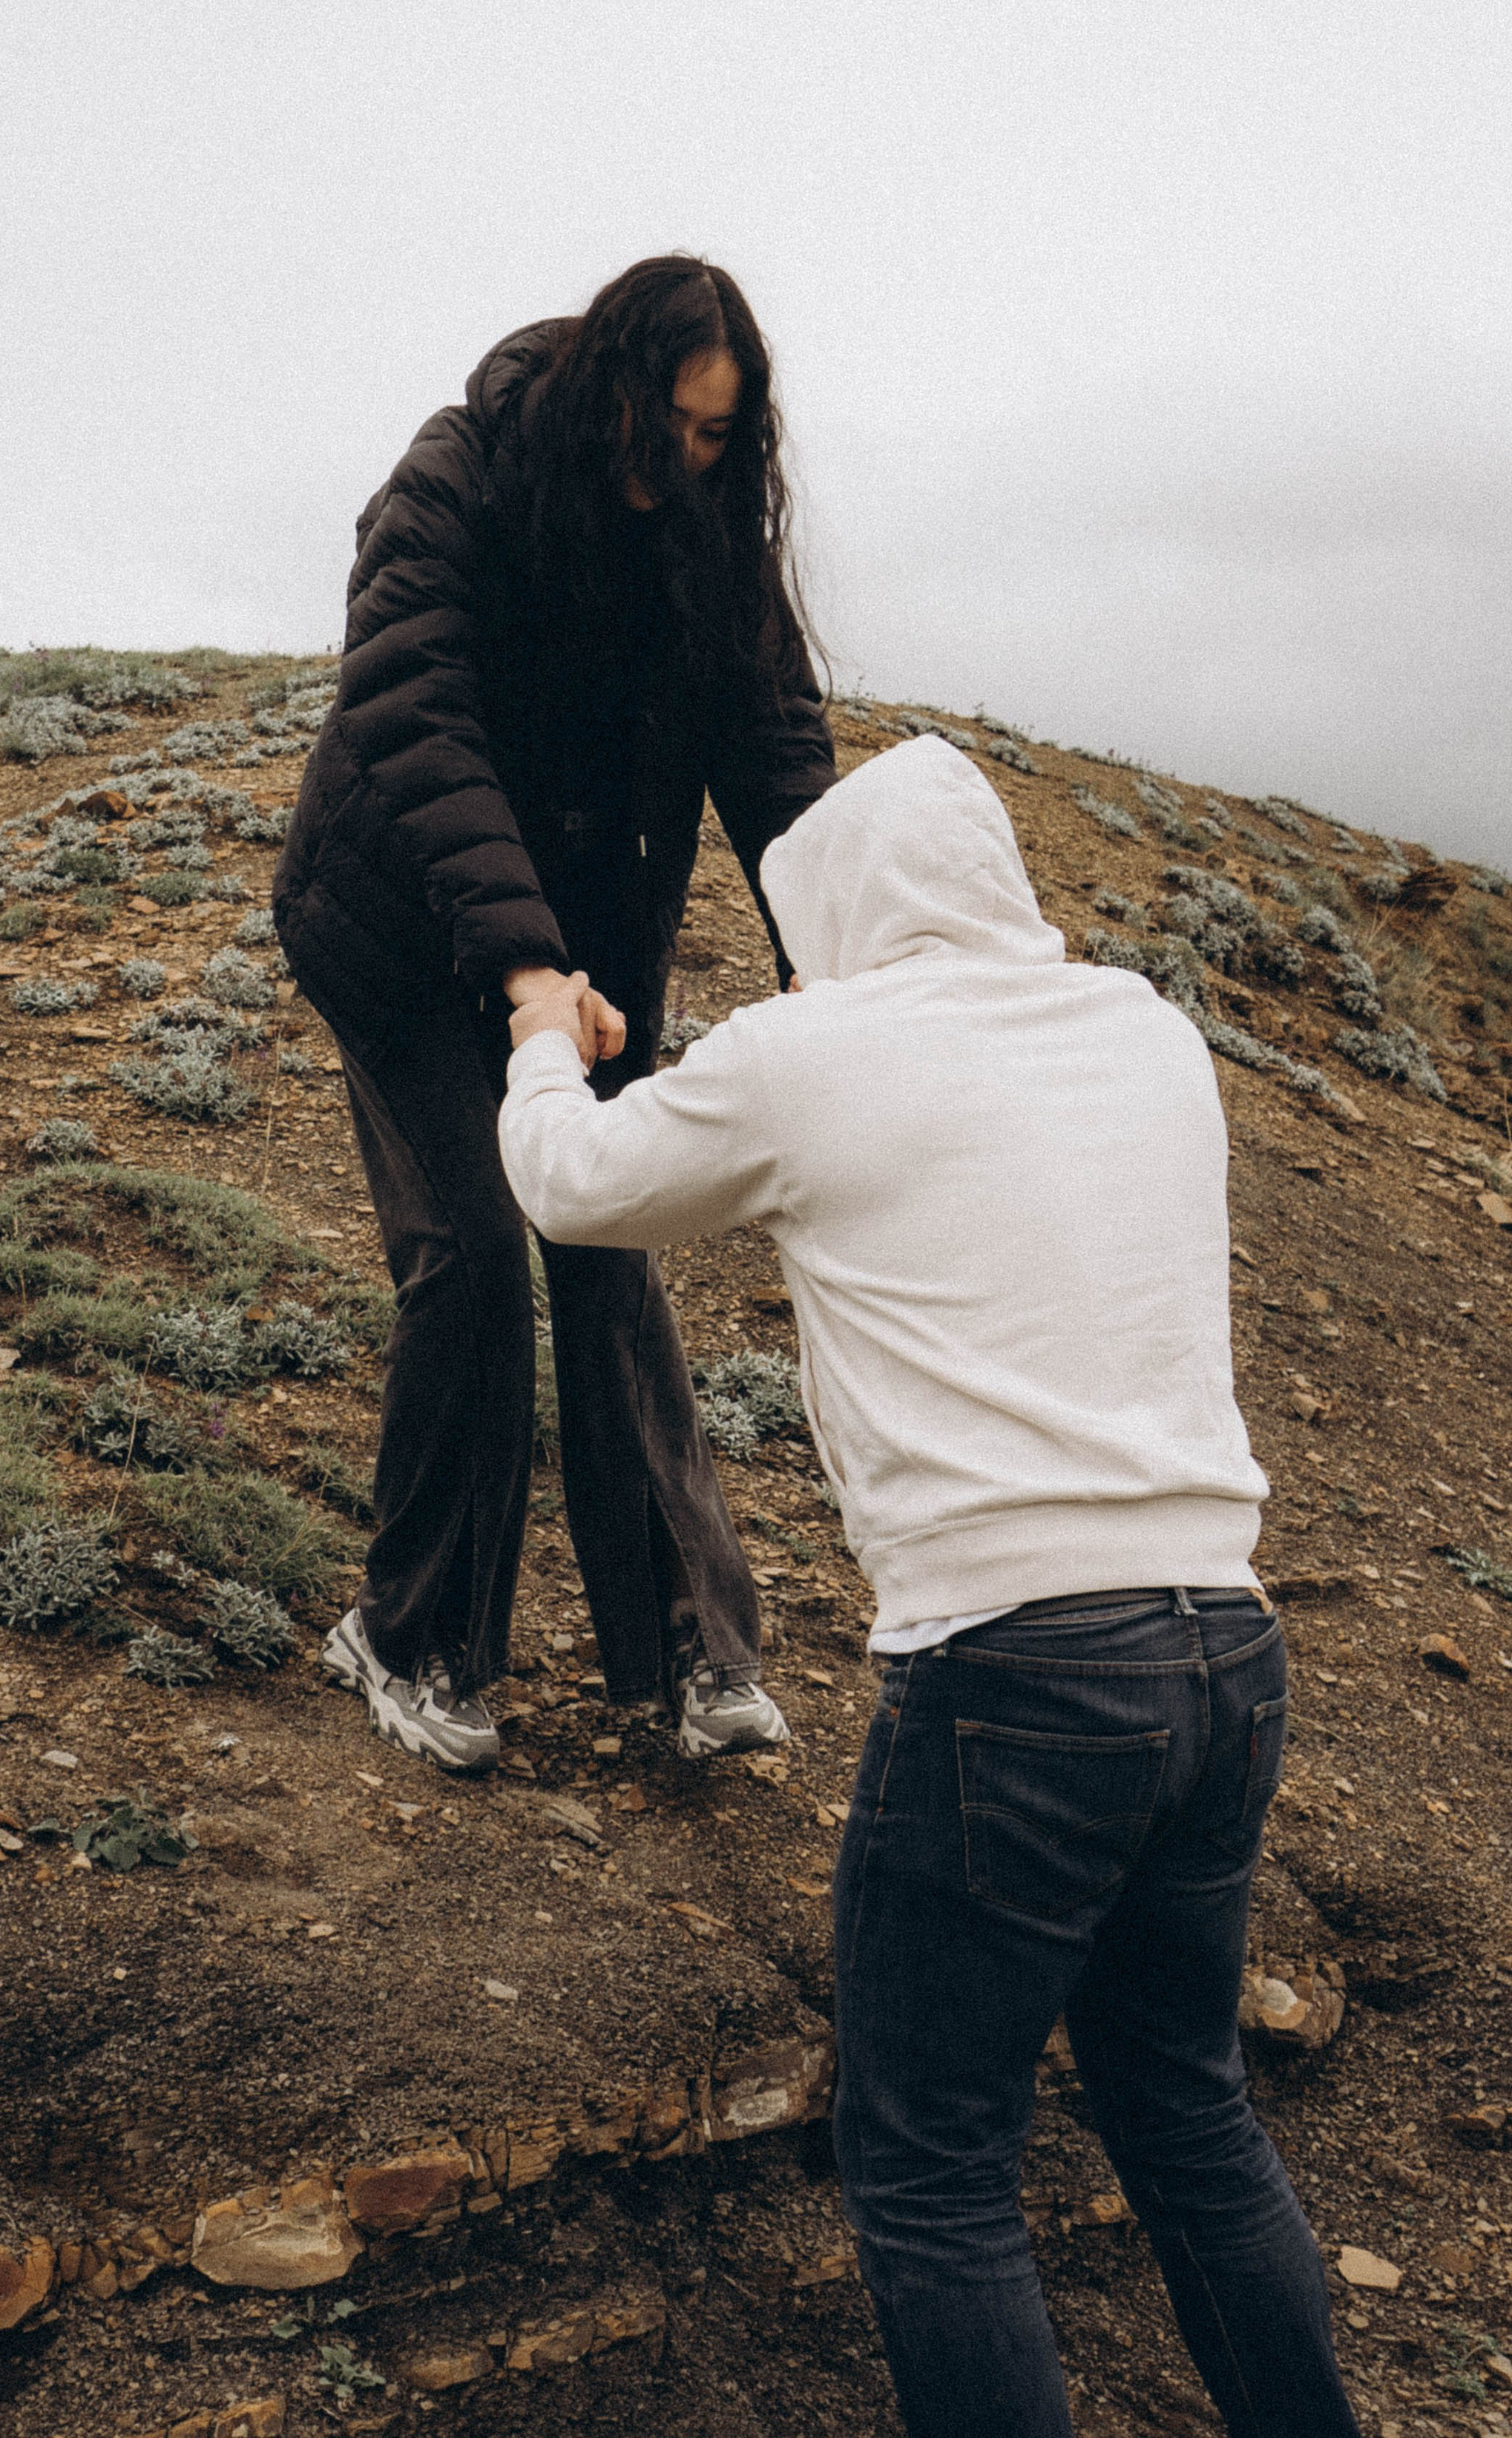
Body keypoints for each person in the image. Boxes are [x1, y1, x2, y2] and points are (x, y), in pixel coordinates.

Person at [496, 735, 1360, 2438]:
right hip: (1221, 1647)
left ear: (833, 909)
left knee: (934, 2171)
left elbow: (569, 1187)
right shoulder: (1145, 1032)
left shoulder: (817, 1051)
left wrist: (541, 1039)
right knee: (1186, 2119)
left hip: (1018, 1680)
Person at [272, 255, 837, 1772]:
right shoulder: (458, 480)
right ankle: (406, 1641)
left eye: (721, 437)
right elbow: (414, 714)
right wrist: (523, 965)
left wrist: (835, 945)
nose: (689, 463)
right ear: (607, 393)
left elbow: (772, 745)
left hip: (585, 951)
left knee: (601, 1252)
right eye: (670, 425)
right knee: (468, 1254)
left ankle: (681, 1659)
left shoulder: (708, 531)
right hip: (397, 927)